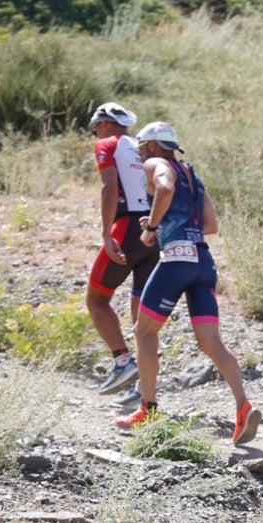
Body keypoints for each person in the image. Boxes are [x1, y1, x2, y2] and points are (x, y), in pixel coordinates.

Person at [115, 122, 263, 446]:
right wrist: (166, 221)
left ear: (153, 146)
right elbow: (211, 225)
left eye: (142, 149)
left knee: (143, 331)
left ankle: (148, 409)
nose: (141, 157)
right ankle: (244, 406)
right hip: (204, 263)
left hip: (177, 260)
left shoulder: (158, 165)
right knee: (211, 342)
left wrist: (153, 227)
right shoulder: (193, 177)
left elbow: (164, 190)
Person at [84, 102, 157, 397]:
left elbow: (108, 186)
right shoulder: (143, 147)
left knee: (97, 300)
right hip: (154, 231)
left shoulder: (107, 143)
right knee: (142, 318)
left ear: (105, 124)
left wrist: (105, 232)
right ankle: (142, 387)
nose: (95, 133)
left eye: (95, 127)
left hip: (126, 227)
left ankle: (122, 361)